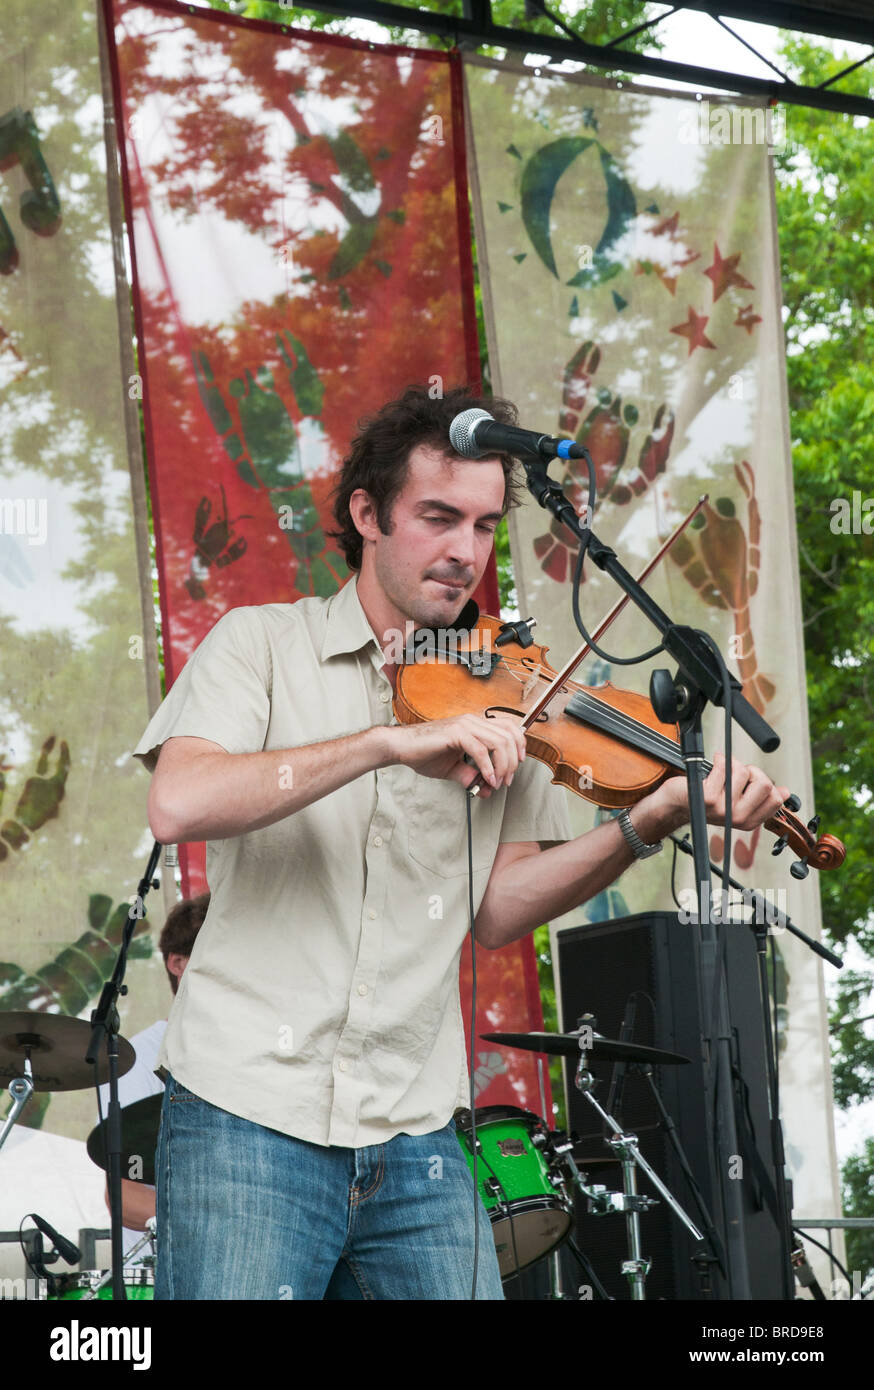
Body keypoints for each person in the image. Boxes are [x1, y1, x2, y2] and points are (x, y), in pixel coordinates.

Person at [132, 383, 788, 1300]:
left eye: (483, 528)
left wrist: (645, 825)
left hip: (416, 1133)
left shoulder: (507, 691)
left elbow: (497, 909)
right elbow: (179, 802)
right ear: (366, 513)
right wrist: (384, 744)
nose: (463, 555)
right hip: (247, 1113)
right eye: (438, 518)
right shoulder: (260, 646)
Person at [97, 895, 207, 1255]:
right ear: (178, 963)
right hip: (160, 1272)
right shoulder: (139, 1059)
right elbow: (125, 1197)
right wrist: (224, 1216)